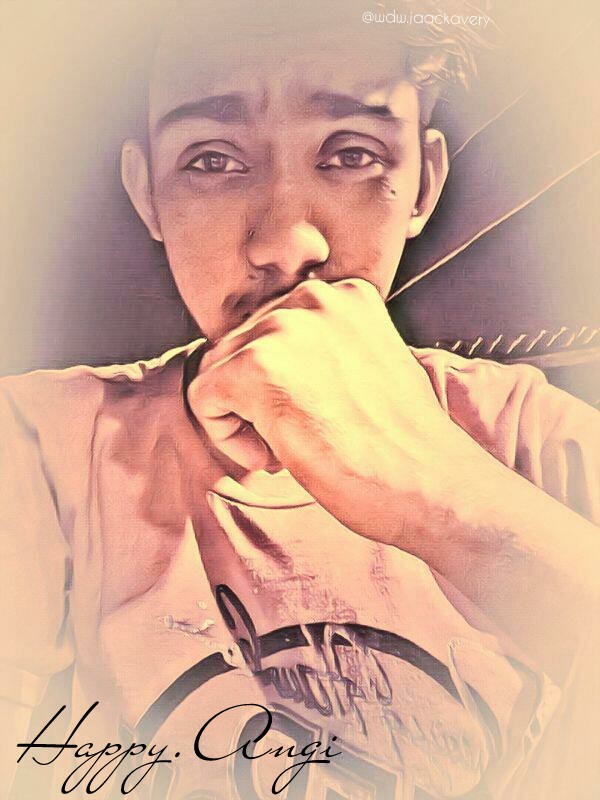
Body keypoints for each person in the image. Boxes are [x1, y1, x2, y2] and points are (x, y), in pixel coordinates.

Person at [1, 1, 598, 798]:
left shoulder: (538, 439)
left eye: (351, 154)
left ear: (424, 183)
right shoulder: (38, 447)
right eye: (211, 161)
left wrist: (441, 491)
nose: (287, 244)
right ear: (147, 196)